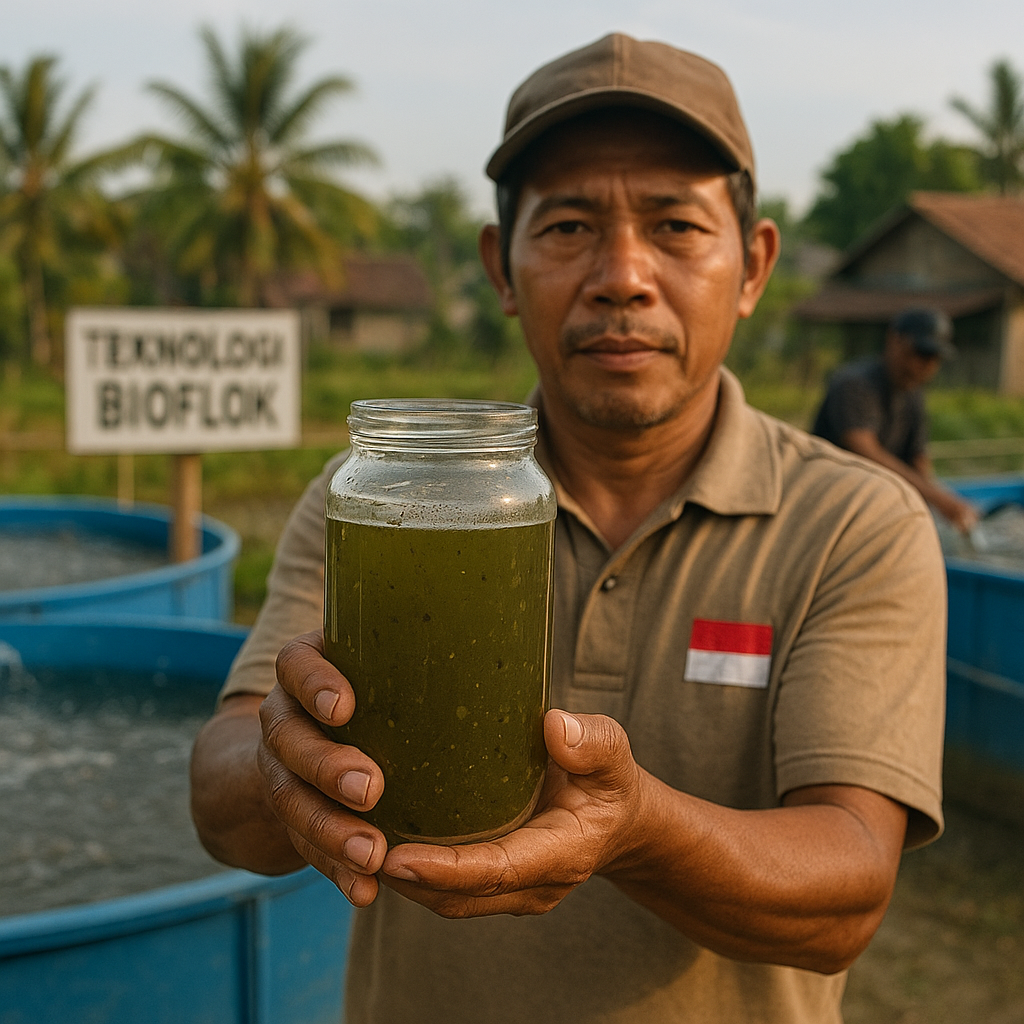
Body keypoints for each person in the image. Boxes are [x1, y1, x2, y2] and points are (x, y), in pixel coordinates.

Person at [190, 34, 946, 1024]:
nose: (621, 276)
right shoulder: (376, 495)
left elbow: (846, 886)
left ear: (754, 265)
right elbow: (220, 789)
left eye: (675, 224)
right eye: (568, 227)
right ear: (500, 268)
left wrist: (637, 830)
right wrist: (278, 765)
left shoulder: (853, 521)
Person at [812, 307, 978, 533]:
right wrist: (939, 499)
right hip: (831, 502)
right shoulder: (854, 384)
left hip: (876, 504)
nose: (926, 366)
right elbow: (866, 451)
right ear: (894, 340)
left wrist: (942, 500)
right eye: (920, 353)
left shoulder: (913, 394)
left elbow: (918, 458)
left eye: (934, 358)